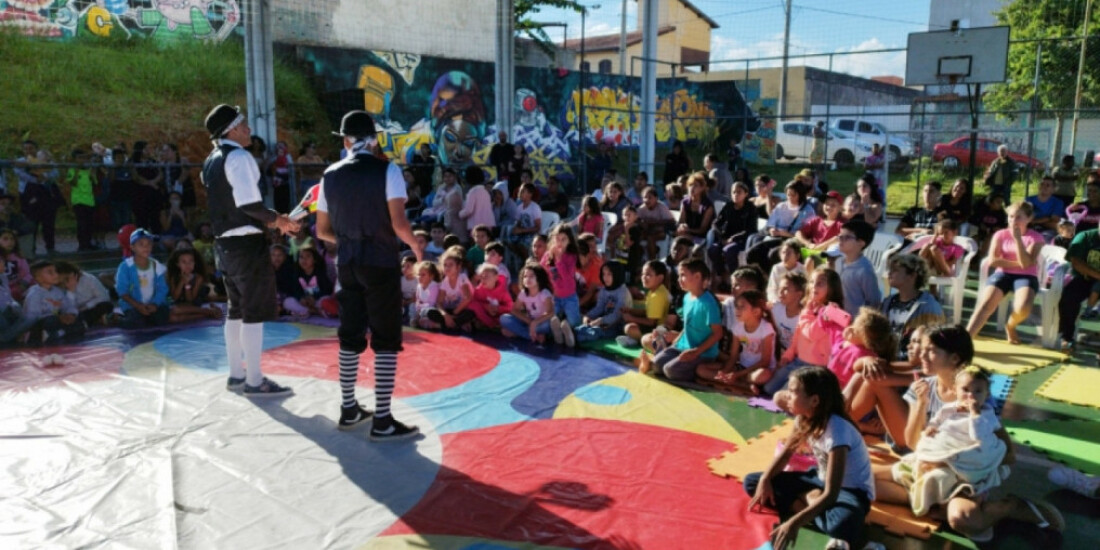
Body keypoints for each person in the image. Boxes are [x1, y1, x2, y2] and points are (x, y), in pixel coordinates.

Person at [870, 325, 1062, 542]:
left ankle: (1009, 506)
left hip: (963, 478)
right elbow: (913, 443)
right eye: (922, 348)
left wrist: (957, 463)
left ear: (953, 358)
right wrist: (921, 405)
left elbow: (1008, 455)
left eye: (931, 350)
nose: (921, 354)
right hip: (926, 469)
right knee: (866, 484)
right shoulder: (925, 387)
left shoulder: (976, 395)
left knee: (964, 519)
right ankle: (933, 503)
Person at [314, 110, 422, 440]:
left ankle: (349, 409)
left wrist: (348, 239)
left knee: (350, 333)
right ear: (374, 140)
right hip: (379, 261)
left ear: (346, 141)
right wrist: (417, 248)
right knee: (386, 338)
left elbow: (322, 231)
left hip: (347, 262)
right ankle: (383, 420)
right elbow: (399, 224)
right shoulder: (387, 170)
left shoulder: (329, 175)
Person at [202, 104, 298, 398]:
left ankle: (236, 375)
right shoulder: (240, 157)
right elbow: (248, 204)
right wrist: (279, 220)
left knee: (236, 311)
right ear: (231, 129)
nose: (249, 129)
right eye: (243, 123)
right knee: (253, 313)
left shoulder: (211, 160)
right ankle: (255, 381)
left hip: (225, 245)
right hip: (246, 244)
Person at [745, 366, 875, 550]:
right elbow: (785, 455)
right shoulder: (803, 418)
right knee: (753, 483)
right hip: (817, 479)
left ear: (814, 400)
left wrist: (794, 523)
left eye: (792, 392)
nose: (787, 396)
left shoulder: (837, 430)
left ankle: (807, 500)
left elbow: (832, 492)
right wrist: (766, 478)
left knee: (842, 525)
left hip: (850, 491)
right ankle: (810, 498)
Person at [881, 366, 1007, 517]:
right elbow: (937, 419)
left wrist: (975, 414)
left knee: (941, 477)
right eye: (965, 390)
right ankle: (929, 488)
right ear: (955, 390)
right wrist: (931, 428)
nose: (970, 395)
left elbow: (978, 436)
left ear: (986, 395)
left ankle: (940, 497)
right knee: (922, 453)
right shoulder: (950, 408)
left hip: (968, 453)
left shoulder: (987, 415)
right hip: (946, 446)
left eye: (978, 391)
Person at [966, 201, 1044, 344]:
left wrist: (1018, 240)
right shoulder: (1000, 234)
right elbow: (993, 261)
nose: (1014, 220)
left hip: (1027, 276)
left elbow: (1026, 264)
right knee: (986, 305)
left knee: (1023, 308)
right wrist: (1018, 264)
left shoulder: (1035, 237)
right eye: (1011, 216)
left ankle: (1011, 325)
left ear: (1029, 219)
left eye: (1019, 217)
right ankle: (965, 340)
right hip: (1003, 274)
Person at [638, 259, 722, 382]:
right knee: (657, 364)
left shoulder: (708, 303)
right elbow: (688, 325)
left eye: (682, 275)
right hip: (682, 347)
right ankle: (655, 364)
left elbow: (718, 333)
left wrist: (696, 351)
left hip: (702, 353)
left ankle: (701, 371)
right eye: (679, 276)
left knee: (670, 370)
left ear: (697, 276)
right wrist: (675, 342)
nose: (679, 279)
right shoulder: (687, 297)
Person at [696, 289, 777, 391]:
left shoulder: (766, 329)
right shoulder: (737, 327)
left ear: (756, 311)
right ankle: (745, 385)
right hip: (741, 367)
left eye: (742, 307)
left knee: (763, 375)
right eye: (736, 306)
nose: (737, 310)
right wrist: (725, 373)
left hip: (757, 370)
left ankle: (739, 381)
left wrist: (737, 375)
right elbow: (733, 357)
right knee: (701, 369)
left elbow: (765, 361)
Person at [882, 254, 946, 356]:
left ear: (912, 275)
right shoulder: (887, 302)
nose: (889, 273)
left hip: (913, 362)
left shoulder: (929, 307)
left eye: (895, 270)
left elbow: (935, 344)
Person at [745, 181, 816, 272]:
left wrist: (787, 234)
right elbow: (771, 222)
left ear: (800, 195)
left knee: (773, 254)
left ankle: (771, 276)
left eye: (793, 195)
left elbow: (807, 236)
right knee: (753, 252)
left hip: (792, 241)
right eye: (788, 195)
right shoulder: (782, 206)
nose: (790, 197)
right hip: (777, 237)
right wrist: (772, 229)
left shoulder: (808, 211)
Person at [115, 228, 171, 329]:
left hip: (152, 304)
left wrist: (155, 304)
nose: (146, 247)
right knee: (135, 322)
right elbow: (122, 291)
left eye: (148, 244)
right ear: (132, 247)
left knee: (161, 318)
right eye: (141, 244)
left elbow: (163, 288)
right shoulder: (125, 266)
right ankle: (116, 318)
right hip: (132, 305)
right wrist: (138, 306)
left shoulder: (155, 265)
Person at [1057, 227, 1100, 350]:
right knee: (1069, 298)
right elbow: (1076, 262)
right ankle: (1066, 337)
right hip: (1083, 278)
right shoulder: (1085, 237)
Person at [707, 181, 757, 279]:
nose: (736, 195)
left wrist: (734, 238)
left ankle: (734, 276)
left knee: (728, 250)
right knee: (713, 249)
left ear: (746, 194)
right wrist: (721, 237)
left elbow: (751, 229)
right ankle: (722, 274)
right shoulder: (728, 206)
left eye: (739, 192)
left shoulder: (751, 208)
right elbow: (716, 223)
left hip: (742, 239)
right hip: (725, 238)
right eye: (733, 192)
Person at [834, 219, 882, 319]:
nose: (841, 240)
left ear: (861, 243)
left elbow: (874, 302)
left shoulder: (865, 270)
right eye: (840, 237)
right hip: (836, 317)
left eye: (847, 237)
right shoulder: (838, 262)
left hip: (854, 323)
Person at [572, 262, 630, 343]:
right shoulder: (604, 290)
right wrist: (588, 316)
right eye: (603, 274)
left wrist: (601, 321)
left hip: (617, 325)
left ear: (617, 274)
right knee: (584, 324)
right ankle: (571, 333)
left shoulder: (623, 292)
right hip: (604, 321)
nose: (605, 277)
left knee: (596, 331)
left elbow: (617, 314)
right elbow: (599, 308)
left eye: (609, 274)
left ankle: (574, 337)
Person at [500, 262, 556, 344]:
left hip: (541, 322)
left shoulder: (544, 293)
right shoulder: (523, 293)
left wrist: (535, 322)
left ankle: (518, 334)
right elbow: (514, 310)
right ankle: (533, 336)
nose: (527, 279)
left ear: (539, 278)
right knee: (504, 318)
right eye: (525, 276)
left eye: (531, 276)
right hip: (529, 322)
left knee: (547, 325)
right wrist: (529, 321)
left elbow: (550, 313)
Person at [166, 248, 221, 323]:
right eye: (184, 262)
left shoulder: (198, 278)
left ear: (194, 263)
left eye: (190, 261)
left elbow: (190, 299)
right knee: (172, 318)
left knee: (176, 310)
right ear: (178, 264)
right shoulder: (174, 277)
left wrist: (187, 284)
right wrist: (182, 281)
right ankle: (208, 313)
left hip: (193, 304)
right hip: (179, 304)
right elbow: (175, 297)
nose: (187, 265)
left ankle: (207, 311)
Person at [54, 261, 114, 328]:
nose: (64, 283)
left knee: (106, 306)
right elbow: (66, 308)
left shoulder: (88, 279)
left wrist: (86, 306)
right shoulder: (58, 287)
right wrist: (71, 291)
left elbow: (103, 296)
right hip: (76, 312)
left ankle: (85, 322)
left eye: (66, 279)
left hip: (91, 307)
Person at [467, 262, 512, 330]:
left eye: (487, 277)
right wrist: (486, 307)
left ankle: (493, 325)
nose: (483, 280)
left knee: (506, 317)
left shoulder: (503, 291)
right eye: (482, 277)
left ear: (496, 277)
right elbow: (473, 303)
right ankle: (490, 325)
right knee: (472, 305)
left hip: (498, 315)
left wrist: (498, 308)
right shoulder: (479, 290)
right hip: (486, 316)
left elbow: (510, 307)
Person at [675, 172, 715, 245]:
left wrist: (688, 230)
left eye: (696, 186)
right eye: (690, 185)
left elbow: (703, 229)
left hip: (702, 236)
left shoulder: (707, 206)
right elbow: (681, 221)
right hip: (685, 233)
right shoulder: (685, 202)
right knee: (679, 236)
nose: (692, 188)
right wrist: (682, 227)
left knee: (683, 239)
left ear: (702, 188)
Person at [458, 166, 494, 239]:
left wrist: (460, 214)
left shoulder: (473, 192)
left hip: (476, 226)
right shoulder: (485, 191)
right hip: (489, 225)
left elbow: (469, 210)